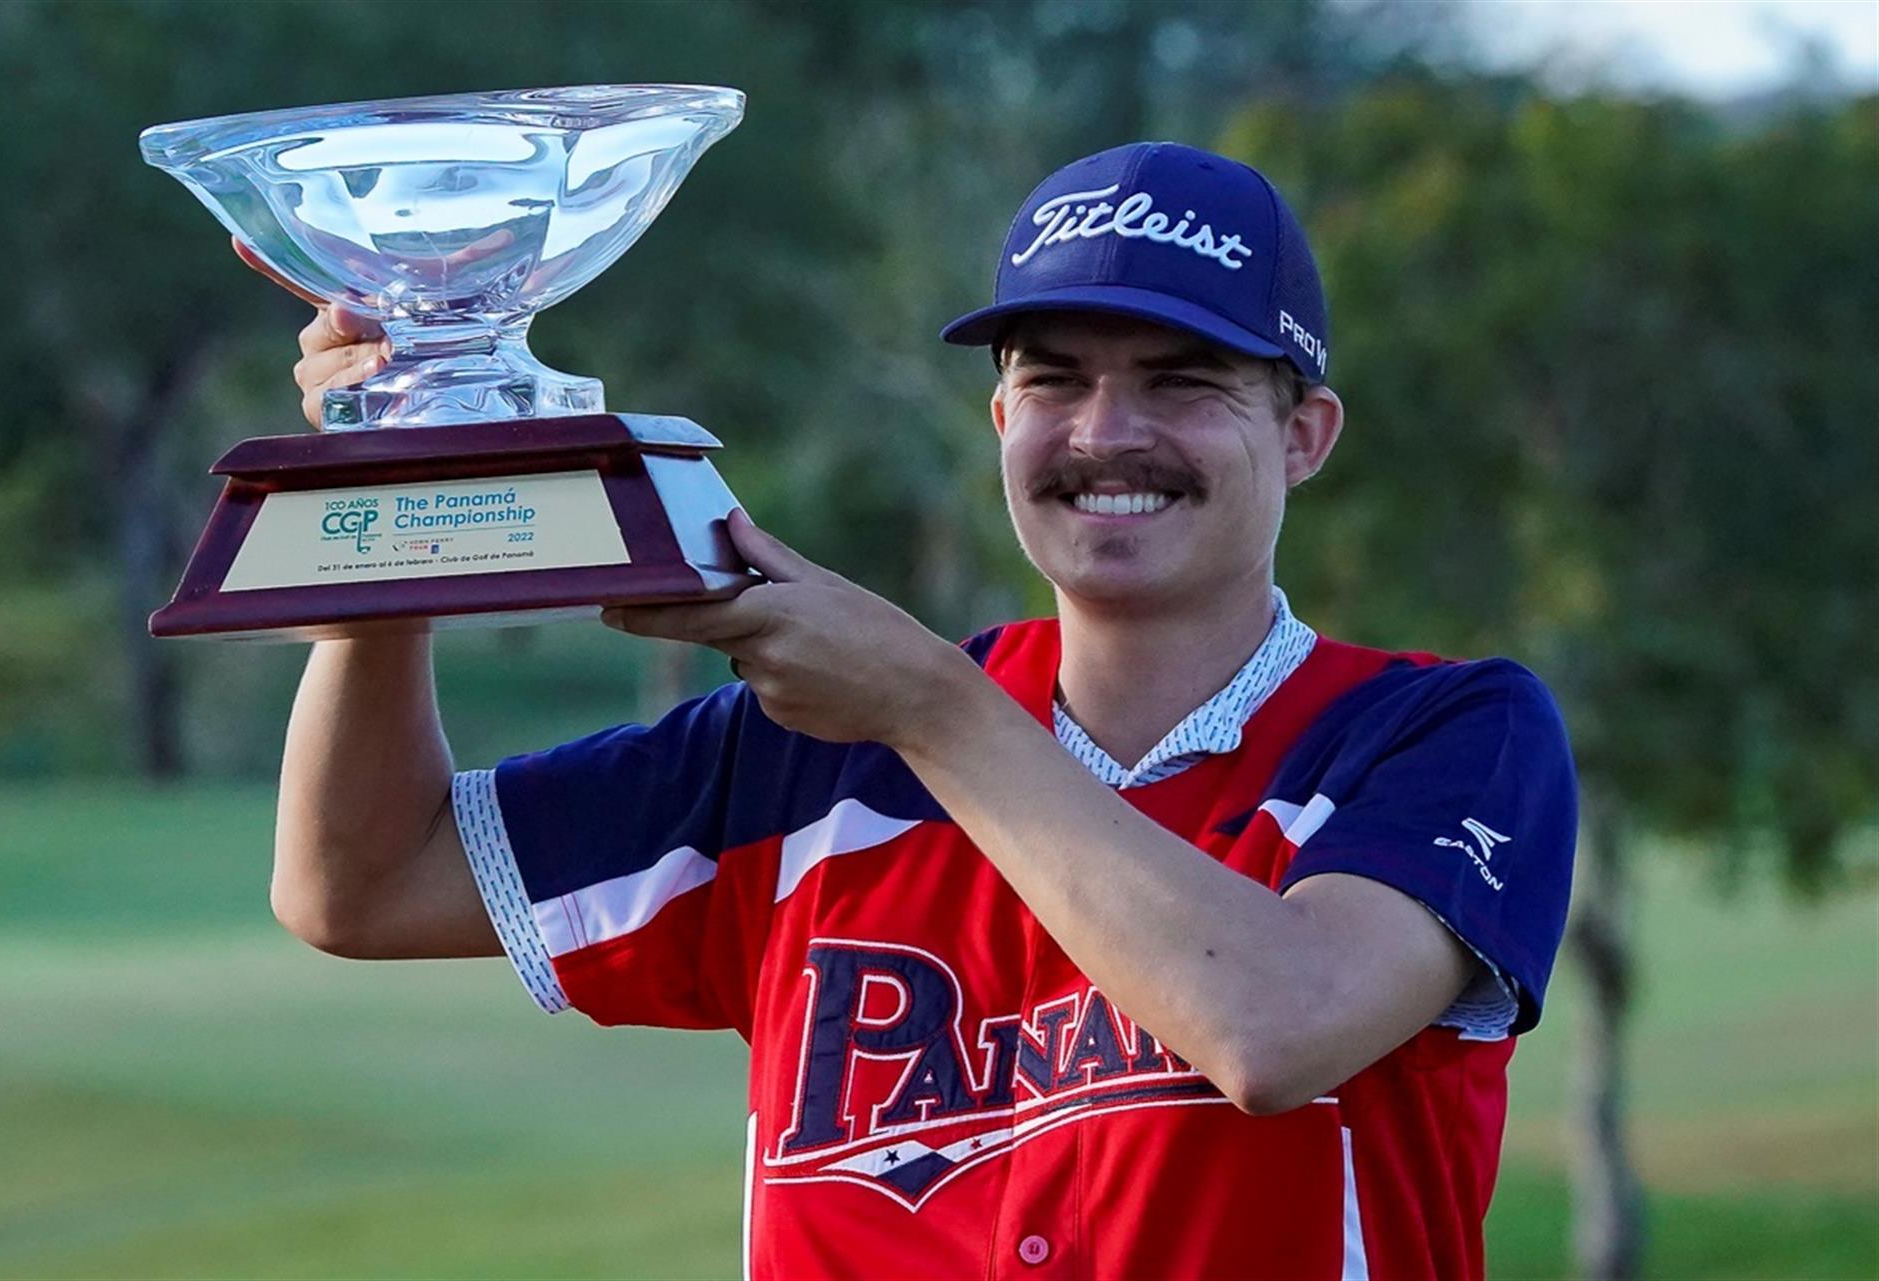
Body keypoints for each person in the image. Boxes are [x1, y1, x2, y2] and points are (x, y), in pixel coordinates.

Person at [266, 142, 1576, 1280]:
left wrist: (929, 709)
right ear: (1001, 416)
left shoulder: (1445, 733)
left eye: (1184, 381)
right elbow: (362, 882)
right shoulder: (807, 753)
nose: (1106, 432)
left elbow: (1277, 1025)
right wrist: (385, 502)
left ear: (1305, 435)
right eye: (1053, 380)